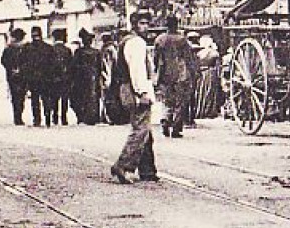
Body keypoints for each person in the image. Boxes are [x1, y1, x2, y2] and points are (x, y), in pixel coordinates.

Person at [109, 12, 162, 183]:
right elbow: (137, 69)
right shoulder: (137, 43)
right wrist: (142, 92)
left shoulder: (126, 41)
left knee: (145, 129)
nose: (146, 27)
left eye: (147, 23)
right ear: (134, 24)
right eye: (142, 23)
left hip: (126, 88)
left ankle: (147, 170)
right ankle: (123, 165)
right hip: (134, 89)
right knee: (140, 129)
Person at [153, 15, 198, 138]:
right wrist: (193, 72)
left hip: (165, 73)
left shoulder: (159, 39)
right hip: (180, 73)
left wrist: (156, 71)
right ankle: (176, 128)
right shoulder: (182, 40)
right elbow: (188, 58)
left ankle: (165, 121)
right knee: (180, 101)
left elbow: (155, 59)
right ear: (176, 25)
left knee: (167, 100)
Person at [68, 30, 103, 125]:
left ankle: (82, 117)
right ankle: (93, 117)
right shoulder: (96, 52)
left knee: (81, 97)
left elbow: (73, 66)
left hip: (81, 78)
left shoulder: (79, 52)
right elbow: (100, 66)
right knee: (93, 96)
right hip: (93, 77)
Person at [24, 26, 56, 127]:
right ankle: (47, 118)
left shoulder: (27, 48)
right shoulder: (48, 48)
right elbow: (53, 64)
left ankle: (37, 120)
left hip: (33, 79)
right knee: (46, 99)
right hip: (46, 78)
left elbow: (24, 63)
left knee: (35, 99)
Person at [1, 29, 29, 126]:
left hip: (11, 75)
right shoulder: (25, 48)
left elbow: (3, 61)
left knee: (15, 96)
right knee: (21, 95)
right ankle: (19, 115)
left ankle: (17, 116)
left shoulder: (8, 49)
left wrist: (11, 69)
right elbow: (28, 61)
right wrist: (21, 69)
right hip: (23, 75)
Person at [47, 31, 74, 125]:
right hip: (65, 78)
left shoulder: (51, 49)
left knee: (54, 98)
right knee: (64, 99)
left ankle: (54, 116)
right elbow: (71, 65)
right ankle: (64, 117)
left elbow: (49, 65)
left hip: (54, 78)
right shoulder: (67, 50)